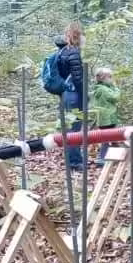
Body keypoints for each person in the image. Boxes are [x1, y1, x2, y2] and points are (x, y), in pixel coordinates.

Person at [56, 22, 85, 171]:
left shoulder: (62, 51)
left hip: (64, 93)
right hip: (74, 93)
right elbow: (78, 78)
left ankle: (71, 159)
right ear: (77, 36)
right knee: (74, 127)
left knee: (69, 127)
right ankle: (75, 162)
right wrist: (85, 95)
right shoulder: (73, 52)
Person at [91, 67, 121, 165]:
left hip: (105, 118)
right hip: (107, 118)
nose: (112, 79)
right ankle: (103, 158)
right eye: (110, 77)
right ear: (103, 78)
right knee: (107, 139)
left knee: (111, 138)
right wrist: (116, 88)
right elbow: (115, 97)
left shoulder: (101, 88)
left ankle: (113, 158)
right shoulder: (103, 89)